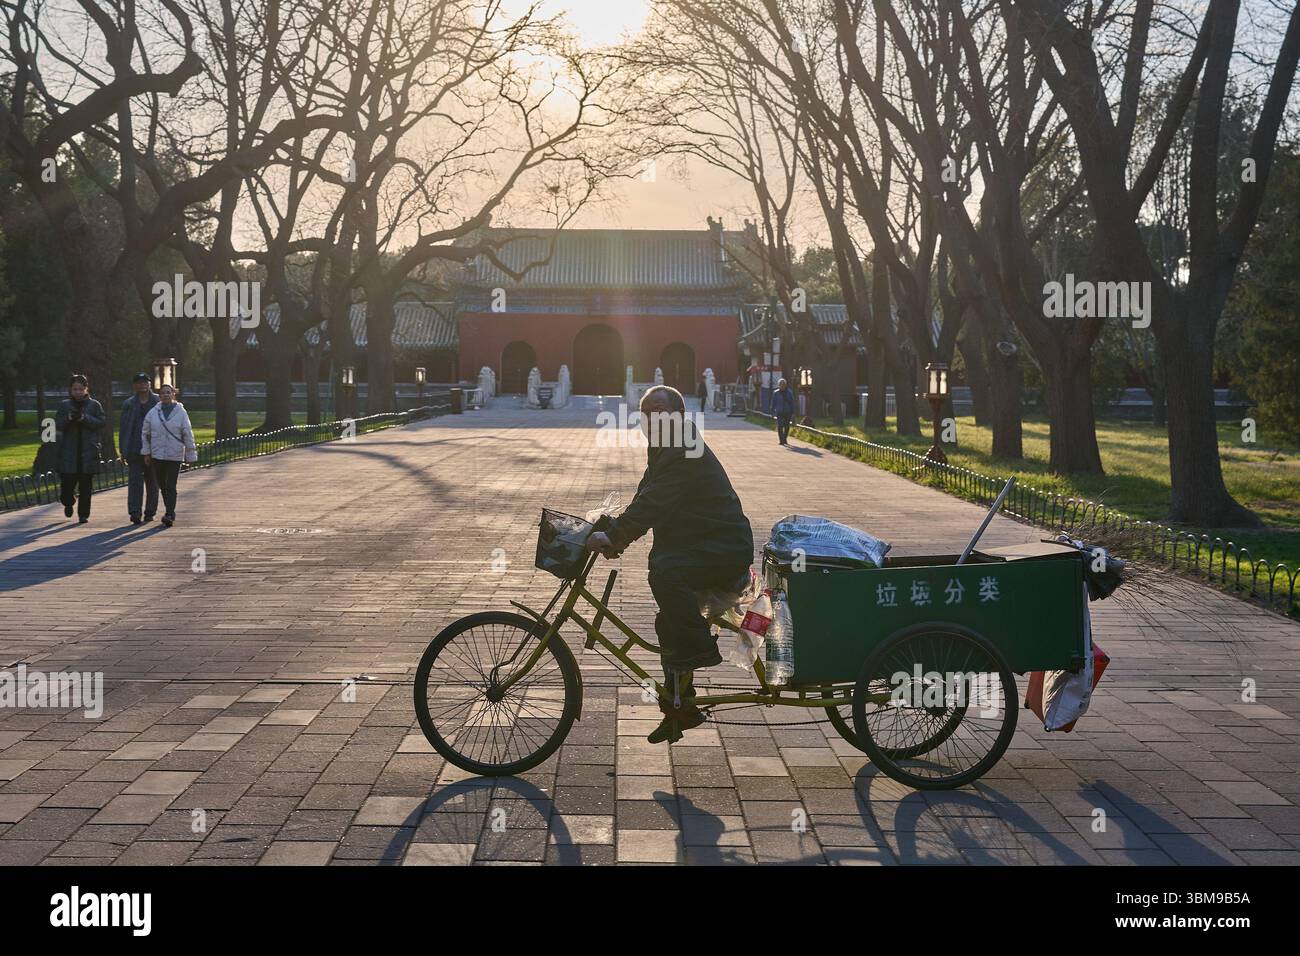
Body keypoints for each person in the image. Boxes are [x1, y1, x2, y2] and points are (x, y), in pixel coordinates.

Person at [586, 385, 754, 744]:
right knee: (670, 620)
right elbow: (644, 498)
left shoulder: (683, 450)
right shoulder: (665, 448)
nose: (652, 419)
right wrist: (607, 531)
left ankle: (700, 650)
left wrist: (617, 537)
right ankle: (681, 708)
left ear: (678, 414)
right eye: (646, 414)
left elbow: (654, 505)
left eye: (659, 411)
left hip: (722, 548)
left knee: (665, 574)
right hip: (701, 544)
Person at [140, 384, 197, 527]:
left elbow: (187, 433)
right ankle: (169, 509)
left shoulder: (181, 412)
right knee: (162, 485)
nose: (165, 395)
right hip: (157, 455)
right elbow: (145, 433)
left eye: (168, 392)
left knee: (171, 485)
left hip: (174, 454)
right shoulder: (153, 413)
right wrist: (146, 452)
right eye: (163, 393)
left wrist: (190, 455)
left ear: (173, 394)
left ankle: (170, 513)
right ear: (159, 396)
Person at [55, 374, 107, 524]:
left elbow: (101, 422)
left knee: (86, 487)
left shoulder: (94, 405)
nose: (78, 392)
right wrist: (69, 418)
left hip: (88, 452)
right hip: (69, 453)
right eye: (74, 389)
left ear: (86, 389)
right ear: (70, 390)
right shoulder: (64, 405)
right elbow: (57, 424)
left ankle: (83, 514)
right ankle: (68, 502)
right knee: (67, 486)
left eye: (80, 389)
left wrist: (84, 418)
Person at [119, 373, 160, 524]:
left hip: (154, 449)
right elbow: (124, 428)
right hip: (134, 448)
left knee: (152, 482)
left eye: (145, 382)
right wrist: (123, 450)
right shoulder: (129, 404)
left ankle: (150, 512)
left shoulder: (157, 401)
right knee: (135, 482)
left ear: (149, 384)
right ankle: (135, 512)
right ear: (134, 385)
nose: (142, 385)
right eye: (139, 382)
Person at [771, 377, 797, 446]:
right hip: (779, 412)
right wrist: (772, 412)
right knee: (780, 426)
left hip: (787, 411)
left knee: (786, 426)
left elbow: (792, 403)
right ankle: (781, 440)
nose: (782, 385)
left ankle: (784, 438)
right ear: (778, 385)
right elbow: (773, 403)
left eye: (783, 384)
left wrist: (793, 412)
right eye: (780, 384)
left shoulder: (789, 392)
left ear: (785, 385)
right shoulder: (776, 393)